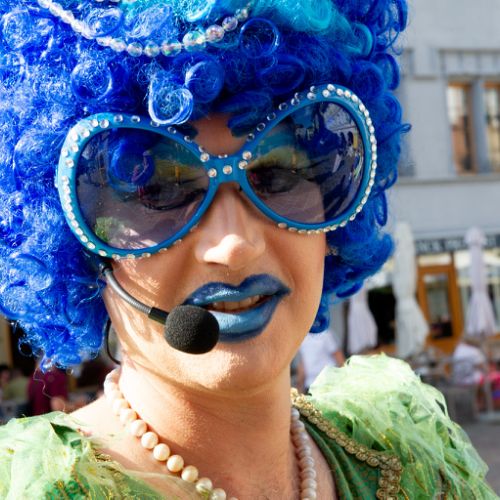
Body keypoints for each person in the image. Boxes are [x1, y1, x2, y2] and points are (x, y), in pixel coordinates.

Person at [0, 0, 496, 498]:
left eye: (278, 173)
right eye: (160, 190)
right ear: (81, 250)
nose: (235, 245)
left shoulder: (414, 464)